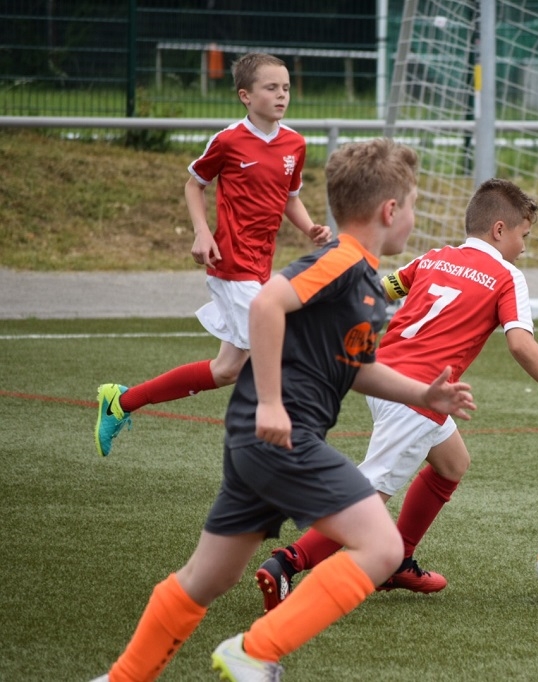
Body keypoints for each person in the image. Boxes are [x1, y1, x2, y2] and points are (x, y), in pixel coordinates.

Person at [88, 138, 476, 682]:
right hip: (282, 434)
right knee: (382, 546)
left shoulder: (365, 281)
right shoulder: (342, 261)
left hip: (257, 439)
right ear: (391, 211)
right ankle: (255, 651)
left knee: (207, 578)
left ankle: (122, 679)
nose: (413, 217)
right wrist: (271, 402)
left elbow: (354, 366)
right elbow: (268, 301)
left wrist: (422, 396)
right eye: (412, 205)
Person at [254, 178, 538, 611]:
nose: (524, 248)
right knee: (372, 492)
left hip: (383, 376)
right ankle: (287, 562)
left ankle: (398, 561)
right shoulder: (508, 276)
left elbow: (380, 290)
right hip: (419, 395)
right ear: (499, 230)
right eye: (523, 236)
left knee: (453, 463)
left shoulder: (434, 257)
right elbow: (520, 344)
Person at [94, 52, 332, 458]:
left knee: (227, 370)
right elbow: (194, 184)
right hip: (232, 264)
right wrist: (202, 232)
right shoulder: (228, 140)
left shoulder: (295, 143)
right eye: (271, 88)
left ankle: (121, 400)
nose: (281, 95)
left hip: (260, 267)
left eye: (286, 88)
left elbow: (290, 198)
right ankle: (292, 447)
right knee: (280, 347)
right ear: (245, 95)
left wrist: (310, 228)